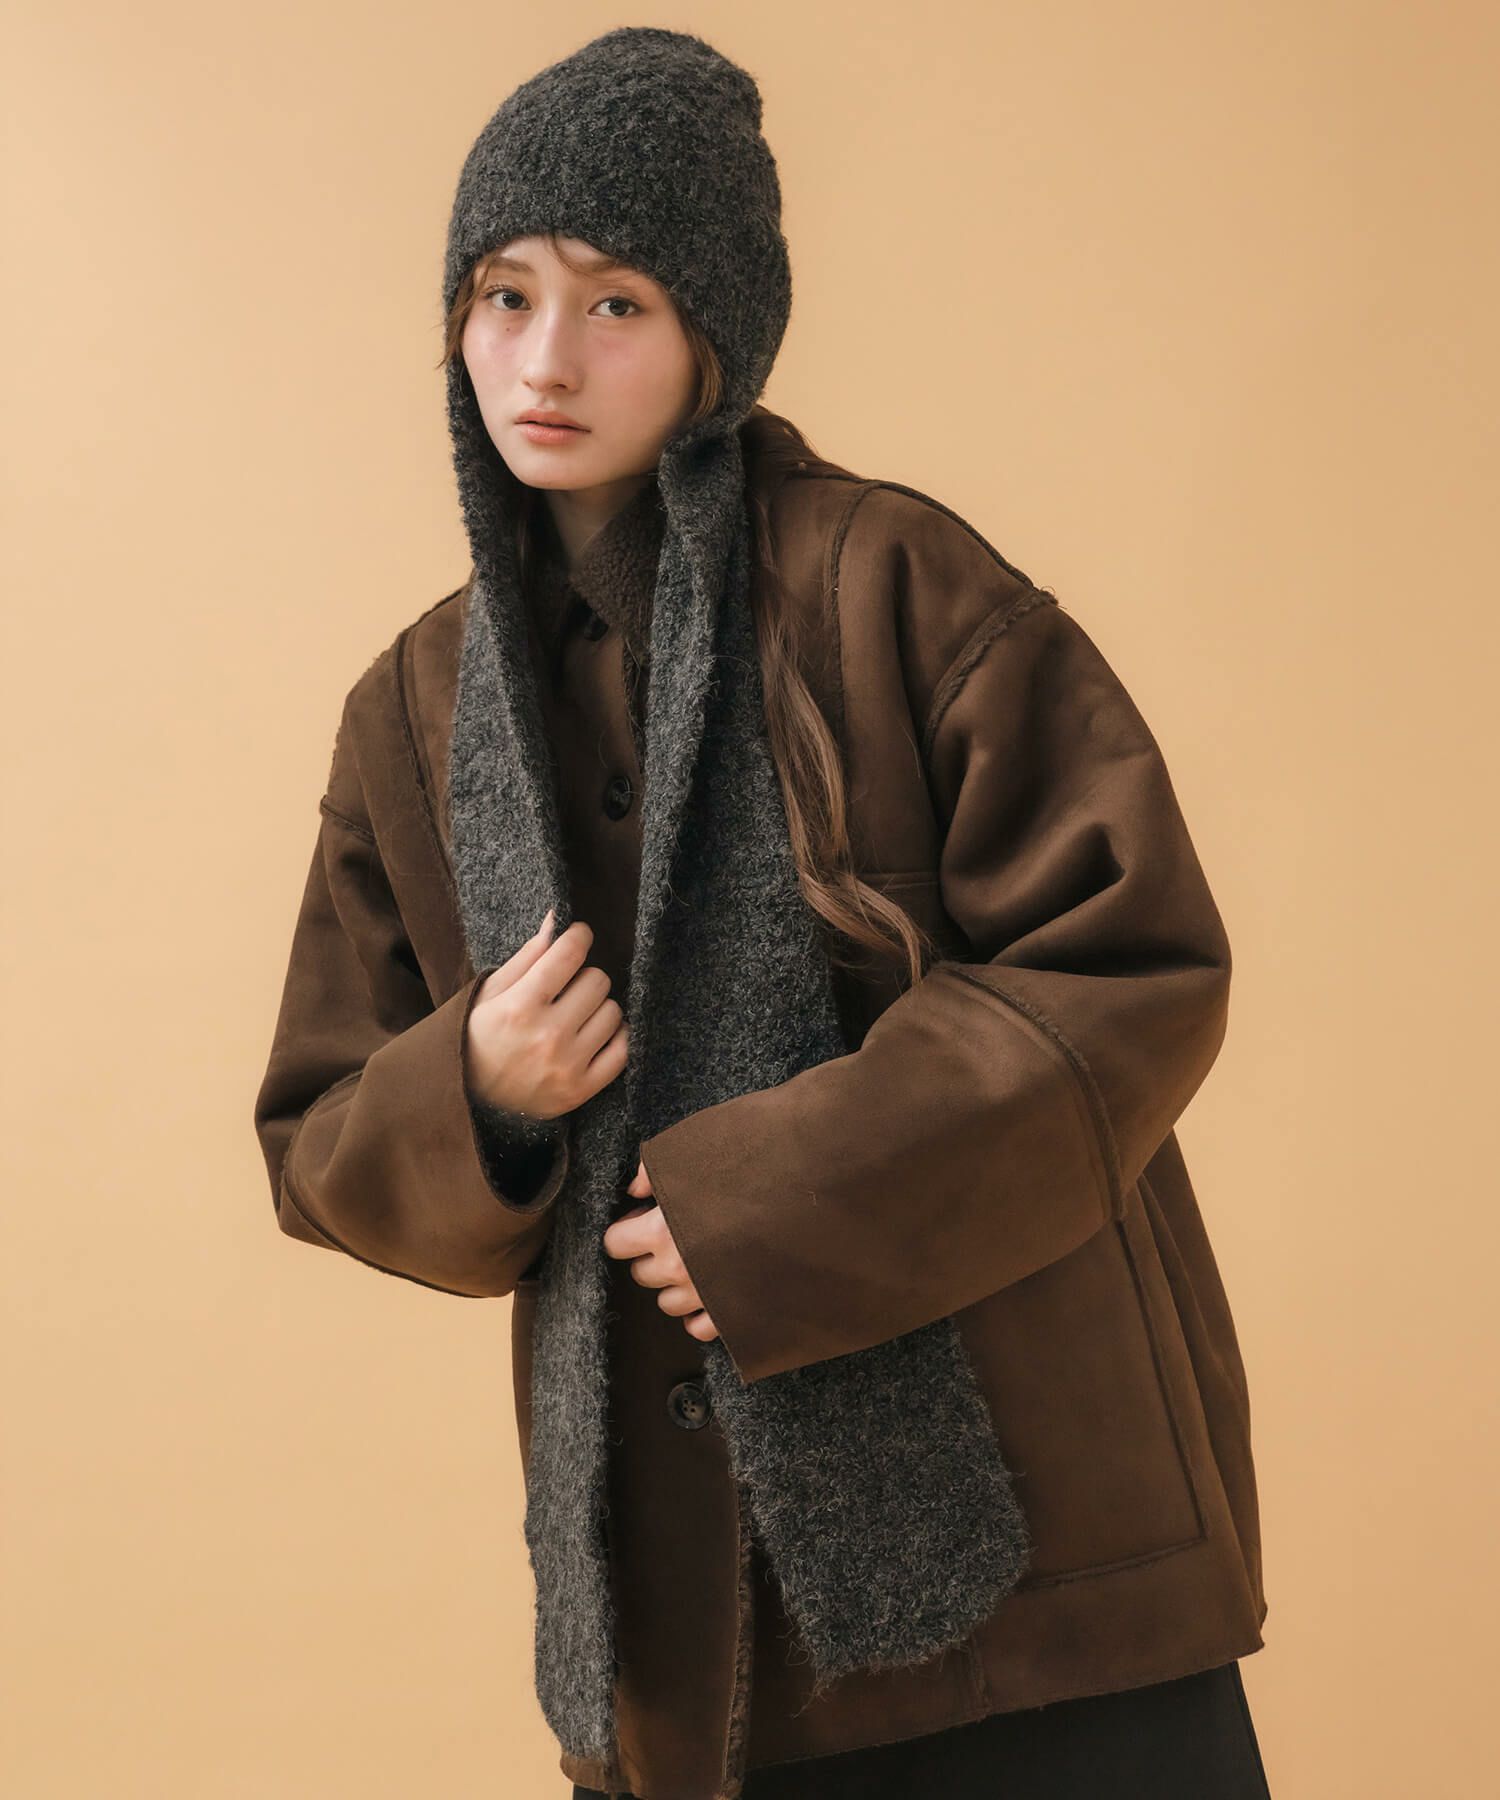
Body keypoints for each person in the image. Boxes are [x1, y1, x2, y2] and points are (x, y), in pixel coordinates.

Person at [253, 26, 1272, 1800]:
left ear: (715, 333)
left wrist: (776, 1201)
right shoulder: (412, 711)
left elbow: (1131, 968)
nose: (545, 359)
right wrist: (478, 1091)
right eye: (503, 296)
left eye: (617, 302)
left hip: (1043, 1573)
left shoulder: (893, 580)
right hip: (676, 1645)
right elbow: (321, 1129)